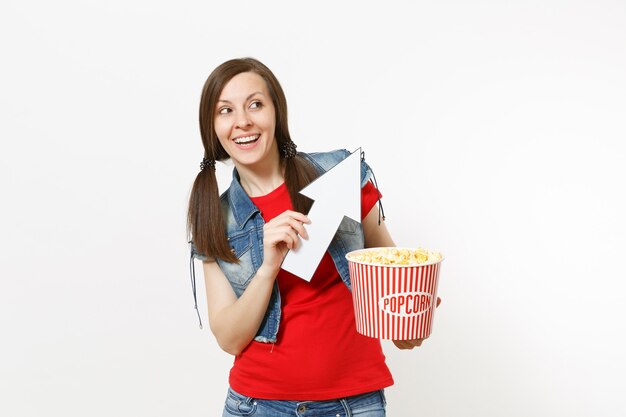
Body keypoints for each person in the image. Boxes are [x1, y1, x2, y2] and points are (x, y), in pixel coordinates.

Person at [187, 57, 437, 417]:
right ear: (212, 127)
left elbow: (391, 273)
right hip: (257, 405)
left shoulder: (340, 175)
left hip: (355, 403)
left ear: (277, 112)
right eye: (225, 110)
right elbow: (229, 338)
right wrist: (268, 268)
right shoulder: (213, 216)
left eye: (255, 104)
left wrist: (407, 321)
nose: (242, 121)